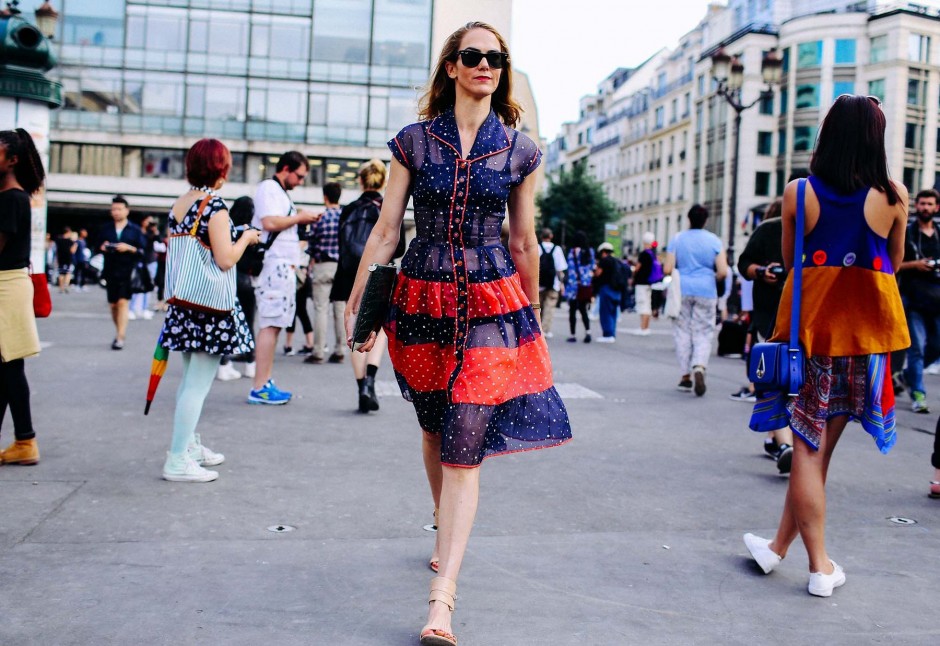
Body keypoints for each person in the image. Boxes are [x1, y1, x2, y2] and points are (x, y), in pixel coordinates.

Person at [345, 22, 572, 646]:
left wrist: (535, 320)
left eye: (496, 59)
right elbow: (388, 229)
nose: (486, 66)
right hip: (421, 297)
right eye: (473, 57)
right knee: (433, 427)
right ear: (451, 67)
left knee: (465, 441)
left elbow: (523, 240)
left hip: (493, 300)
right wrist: (362, 295)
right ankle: (443, 523)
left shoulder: (521, 150)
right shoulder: (414, 142)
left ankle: (442, 603)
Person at [744, 94, 910, 597]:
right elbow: (894, 264)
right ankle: (776, 548)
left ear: (828, 135)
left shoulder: (799, 192)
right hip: (866, 341)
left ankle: (819, 568)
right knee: (818, 452)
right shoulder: (895, 195)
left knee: (807, 452)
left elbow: (796, 262)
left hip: (814, 336)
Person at [160, 139, 261, 482]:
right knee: (197, 385)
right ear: (220, 168)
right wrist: (246, 238)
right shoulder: (214, 207)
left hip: (185, 302)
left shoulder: (181, 203)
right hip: (209, 308)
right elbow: (225, 259)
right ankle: (177, 459)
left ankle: (186, 445)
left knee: (190, 380)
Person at [248, 151, 320, 405]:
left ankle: (264, 381)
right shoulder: (269, 188)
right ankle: (259, 386)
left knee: (276, 323)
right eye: (299, 176)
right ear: (286, 169)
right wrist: (299, 217)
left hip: (282, 267)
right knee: (270, 323)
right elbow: (269, 222)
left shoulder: (279, 192)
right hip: (275, 266)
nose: (301, 181)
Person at [735, 198, 794, 474]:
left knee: (795, 383)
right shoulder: (769, 229)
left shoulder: (822, 230)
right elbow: (743, 263)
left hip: (808, 318)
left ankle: (776, 439)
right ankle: (784, 445)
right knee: (774, 379)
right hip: (770, 316)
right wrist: (761, 271)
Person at [0, 129, 45, 466]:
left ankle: (26, 441)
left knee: (10, 366)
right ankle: (23, 441)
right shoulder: (10, 197)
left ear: (12, 160)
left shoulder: (12, 199)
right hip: (8, 284)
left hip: (6, 286)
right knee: (6, 367)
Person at [331, 160, 391, 413]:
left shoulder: (349, 209)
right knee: (380, 329)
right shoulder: (386, 207)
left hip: (349, 274)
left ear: (360, 180)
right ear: (383, 181)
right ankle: (370, 380)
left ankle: (360, 389)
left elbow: (341, 243)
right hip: (379, 273)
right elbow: (394, 244)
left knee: (354, 328)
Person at [664, 204, 728, 396]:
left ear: (688, 219)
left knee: (682, 332)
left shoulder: (677, 239)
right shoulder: (714, 241)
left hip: (682, 289)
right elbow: (723, 271)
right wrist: (710, 277)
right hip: (706, 290)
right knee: (703, 331)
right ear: (706, 220)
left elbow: (668, 269)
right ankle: (699, 365)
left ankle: (685, 377)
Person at [897, 188, 940, 414]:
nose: (925, 208)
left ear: (936, 207)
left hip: (937, 300)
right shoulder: (907, 233)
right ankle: (918, 394)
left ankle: (905, 377)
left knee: (936, 348)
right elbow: (893, 265)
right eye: (922, 203)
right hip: (914, 300)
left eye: (929, 204)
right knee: (917, 350)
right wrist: (915, 265)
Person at [216, 196, 258, 381]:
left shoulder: (228, 229)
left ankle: (224, 365)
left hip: (228, 278)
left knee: (227, 322)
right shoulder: (252, 231)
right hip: (248, 280)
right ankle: (251, 364)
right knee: (248, 323)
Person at [305, 182, 346, 364]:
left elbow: (311, 244)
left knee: (320, 309)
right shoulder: (345, 217)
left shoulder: (320, 218)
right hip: (342, 266)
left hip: (322, 265)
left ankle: (318, 351)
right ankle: (340, 350)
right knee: (340, 309)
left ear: (325, 197)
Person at [99, 195, 146, 350]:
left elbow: (143, 251)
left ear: (127, 210)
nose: (116, 212)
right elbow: (96, 246)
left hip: (128, 271)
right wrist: (104, 246)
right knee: (113, 304)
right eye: (113, 209)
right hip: (110, 270)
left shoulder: (135, 230)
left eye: (119, 209)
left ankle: (120, 336)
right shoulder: (105, 228)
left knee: (122, 302)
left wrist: (129, 248)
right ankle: (118, 331)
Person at [630, 231, 662, 336]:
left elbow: (637, 268)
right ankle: (646, 327)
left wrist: (633, 274)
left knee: (642, 305)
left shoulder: (644, 254)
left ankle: (643, 327)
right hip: (649, 282)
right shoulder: (653, 254)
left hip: (641, 282)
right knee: (647, 305)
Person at [537, 228, 567, 338]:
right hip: (553, 284)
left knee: (537, 306)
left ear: (541, 236)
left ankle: (537, 329)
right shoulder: (557, 249)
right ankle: (545, 330)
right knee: (550, 307)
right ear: (551, 236)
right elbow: (560, 268)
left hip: (538, 284)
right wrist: (561, 283)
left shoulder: (537, 247)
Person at [565, 231, 595, 343]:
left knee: (572, 311)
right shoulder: (590, 252)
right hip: (584, 285)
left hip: (574, 286)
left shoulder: (572, 252)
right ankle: (588, 332)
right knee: (583, 310)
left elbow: (570, 269)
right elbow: (592, 267)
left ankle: (572, 334)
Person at [593, 241, 623, 342]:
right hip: (617, 290)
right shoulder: (617, 261)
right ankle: (612, 333)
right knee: (613, 312)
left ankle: (607, 334)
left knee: (606, 312)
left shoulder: (604, 261)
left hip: (606, 288)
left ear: (603, 252)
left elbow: (598, 273)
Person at [130, 217, 158, 320]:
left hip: (150, 261)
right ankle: (131, 309)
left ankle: (144, 308)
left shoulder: (152, 233)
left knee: (148, 285)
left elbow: (158, 240)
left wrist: (154, 230)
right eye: (148, 221)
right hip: (139, 260)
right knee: (135, 285)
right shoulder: (137, 231)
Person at [55, 227, 76, 293]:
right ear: (68, 232)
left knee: (61, 273)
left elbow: (56, 251)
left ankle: (61, 287)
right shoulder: (70, 241)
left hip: (60, 259)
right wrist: (75, 245)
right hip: (68, 259)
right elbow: (72, 251)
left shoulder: (59, 240)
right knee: (67, 273)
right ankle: (66, 286)